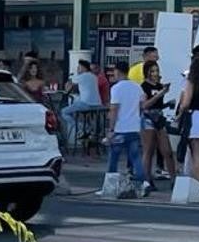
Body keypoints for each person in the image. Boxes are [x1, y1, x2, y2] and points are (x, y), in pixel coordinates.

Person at [105, 62, 148, 197]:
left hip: (120, 128)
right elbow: (143, 104)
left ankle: (110, 186)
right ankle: (142, 184)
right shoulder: (137, 87)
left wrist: (111, 129)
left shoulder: (116, 88)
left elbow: (114, 109)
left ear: (118, 72)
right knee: (135, 157)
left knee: (114, 158)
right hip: (134, 127)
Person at [140, 60, 176, 184]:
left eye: (156, 71)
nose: (155, 74)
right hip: (148, 118)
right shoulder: (144, 86)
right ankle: (147, 179)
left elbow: (158, 105)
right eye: (152, 71)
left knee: (167, 151)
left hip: (159, 118)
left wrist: (167, 103)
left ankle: (173, 179)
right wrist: (159, 95)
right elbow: (144, 105)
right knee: (148, 150)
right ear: (147, 72)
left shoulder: (160, 86)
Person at [177, 56, 199, 184]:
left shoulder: (191, 81)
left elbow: (186, 103)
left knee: (196, 154)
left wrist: (180, 110)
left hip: (197, 117)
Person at [61, 59, 101, 144]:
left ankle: (83, 128)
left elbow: (68, 87)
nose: (77, 69)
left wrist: (70, 78)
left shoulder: (81, 76)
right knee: (78, 112)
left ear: (84, 68)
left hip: (86, 104)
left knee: (64, 112)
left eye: (79, 67)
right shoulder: (94, 76)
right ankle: (85, 131)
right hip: (97, 104)